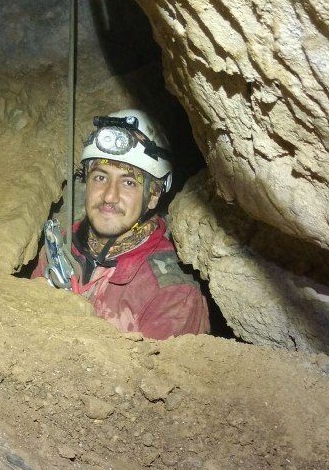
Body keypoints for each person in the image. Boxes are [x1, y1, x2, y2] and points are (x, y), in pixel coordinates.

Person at [33, 110, 210, 340]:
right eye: (100, 177)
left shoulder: (171, 295)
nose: (109, 196)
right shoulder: (61, 246)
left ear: (154, 194)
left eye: (128, 182)